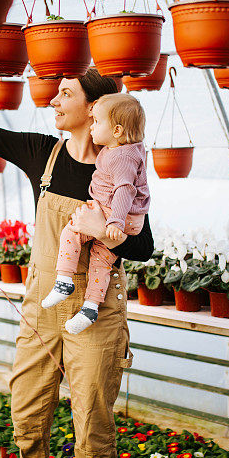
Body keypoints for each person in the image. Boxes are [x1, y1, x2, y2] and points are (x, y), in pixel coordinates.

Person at [0, 69, 154, 458]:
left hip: (97, 309)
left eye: (65, 94)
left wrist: (106, 229)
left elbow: (143, 246)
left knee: (93, 426)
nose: (53, 100)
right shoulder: (41, 152)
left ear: (93, 109)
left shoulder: (123, 163)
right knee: (26, 413)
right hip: (43, 305)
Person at [41, 93, 150, 336]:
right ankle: (90, 308)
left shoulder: (122, 156)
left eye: (97, 122)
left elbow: (125, 189)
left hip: (117, 215)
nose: (92, 126)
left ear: (118, 130)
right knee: (101, 260)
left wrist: (113, 222)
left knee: (72, 231)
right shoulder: (126, 149)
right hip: (127, 219)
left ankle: (64, 280)